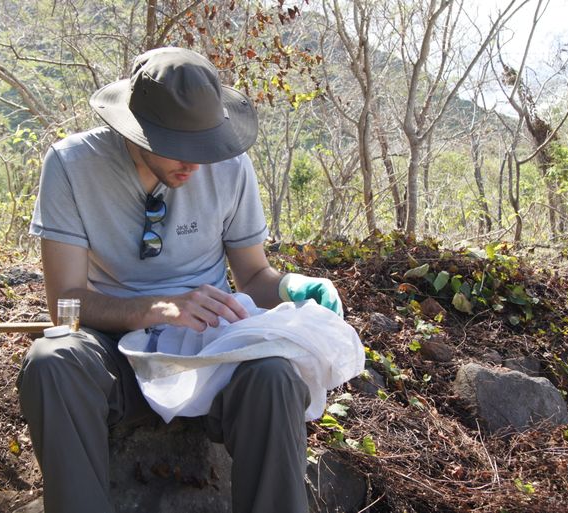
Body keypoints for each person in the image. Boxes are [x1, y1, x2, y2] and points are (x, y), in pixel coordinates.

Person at [17, 46, 344, 513]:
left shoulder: (229, 167)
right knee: (51, 360)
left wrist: (292, 286)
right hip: (114, 346)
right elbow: (65, 305)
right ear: (136, 128)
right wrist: (154, 308)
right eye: (177, 146)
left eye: (204, 146)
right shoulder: (71, 165)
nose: (194, 164)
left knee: (274, 375)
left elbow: (252, 275)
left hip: (210, 347)